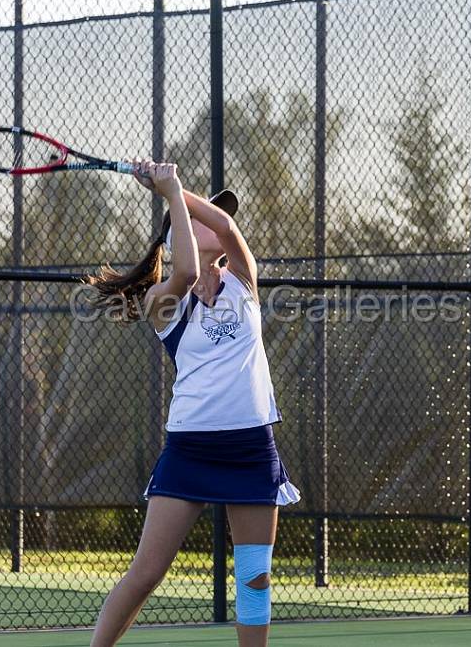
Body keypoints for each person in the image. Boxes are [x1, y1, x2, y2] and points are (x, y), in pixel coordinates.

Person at [87, 160, 300, 647]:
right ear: (173, 238)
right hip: (190, 450)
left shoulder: (245, 282)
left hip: (250, 447)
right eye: (192, 217)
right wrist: (171, 193)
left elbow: (226, 225)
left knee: (253, 578)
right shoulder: (163, 301)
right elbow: (184, 268)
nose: (213, 222)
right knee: (146, 573)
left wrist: (174, 190)